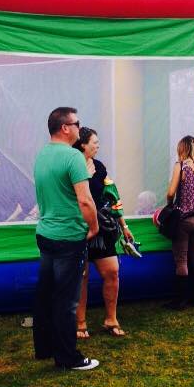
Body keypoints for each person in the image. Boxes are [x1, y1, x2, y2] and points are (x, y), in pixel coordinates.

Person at [32, 107, 100, 371]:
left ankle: (44, 348)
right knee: (66, 300)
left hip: (45, 234)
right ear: (65, 128)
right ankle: (68, 357)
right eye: (77, 123)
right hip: (68, 237)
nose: (79, 128)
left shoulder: (42, 155)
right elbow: (85, 200)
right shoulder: (73, 157)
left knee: (46, 294)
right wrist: (93, 226)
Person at [73, 127, 134, 339]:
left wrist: (124, 226)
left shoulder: (99, 167)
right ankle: (80, 323)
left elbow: (112, 195)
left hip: (101, 230)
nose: (98, 146)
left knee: (112, 271)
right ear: (83, 144)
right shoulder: (71, 166)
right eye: (95, 142)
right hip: (78, 228)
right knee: (81, 276)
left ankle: (111, 319)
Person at [166, 136, 194, 308]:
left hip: (183, 219)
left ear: (182, 149)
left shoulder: (181, 166)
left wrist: (169, 205)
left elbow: (171, 193)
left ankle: (180, 300)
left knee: (182, 260)